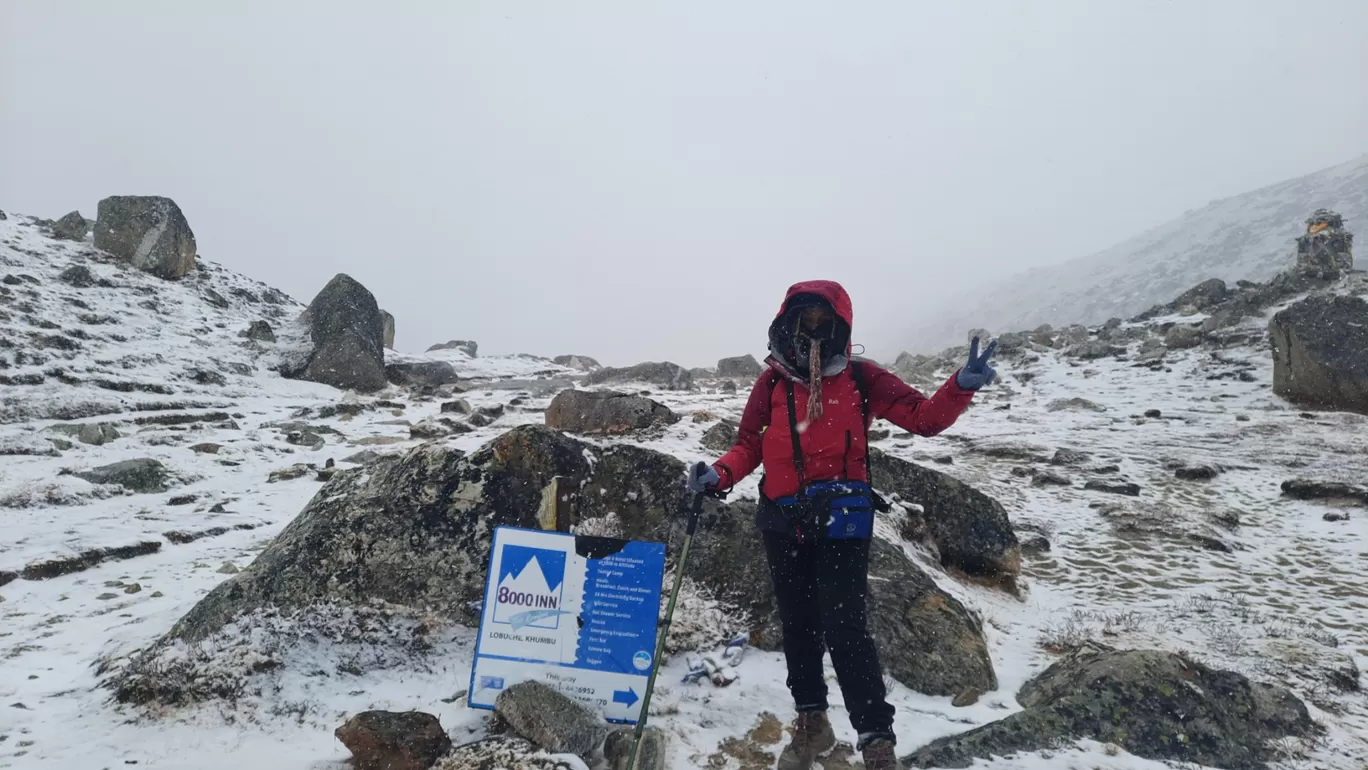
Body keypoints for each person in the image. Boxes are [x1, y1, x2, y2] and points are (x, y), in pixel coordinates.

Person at [685, 280, 996, 770]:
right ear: (785, 321)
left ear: (840, 324)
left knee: (845, 627)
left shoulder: (861, 378)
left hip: (841, 521)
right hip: (781, 520)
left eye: (821, 320)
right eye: (802, 319)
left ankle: (876, 739)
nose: (811, 330)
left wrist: (959, 387)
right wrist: (719, 473)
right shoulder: (771, 383)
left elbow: (923, 418)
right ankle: (812, 722)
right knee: (799, 626)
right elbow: (749, 444)